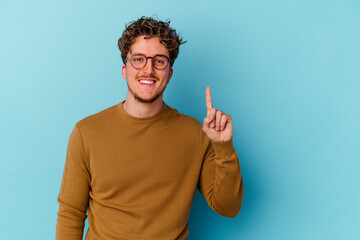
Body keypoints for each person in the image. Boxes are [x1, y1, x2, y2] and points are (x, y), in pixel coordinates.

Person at [56, 16, 244, 240]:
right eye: (138, 59)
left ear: (169, 74)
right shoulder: (86, 132)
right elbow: (71, 214)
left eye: (159, 61)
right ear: (125, 69)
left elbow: (228, 207)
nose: (149, 69)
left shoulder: (194, 132)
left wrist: (223, 147)